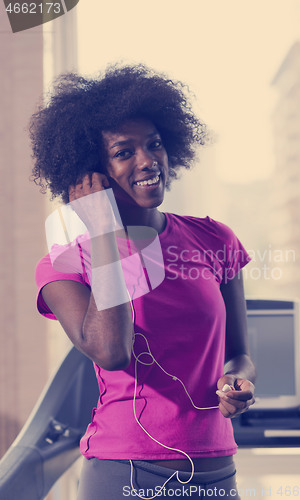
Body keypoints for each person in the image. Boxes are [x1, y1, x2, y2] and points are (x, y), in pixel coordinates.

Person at [30, 64, 256, 499]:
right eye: (123, 152)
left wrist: (237, 382)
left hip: (216, 469)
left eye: (154, 144)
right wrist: (103, 233)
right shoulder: (63, 265)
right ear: (89, 174)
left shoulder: (215, 240)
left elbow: (240, 354)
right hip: (123, 473)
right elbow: (112, 351)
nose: (148, 160)